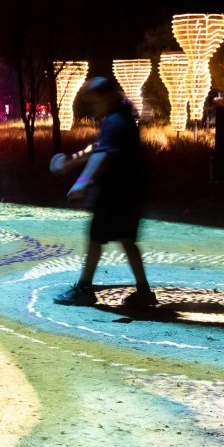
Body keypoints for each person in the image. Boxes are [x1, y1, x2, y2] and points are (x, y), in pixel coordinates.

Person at [50, 76, 157, 308]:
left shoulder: (115, 120)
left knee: (96, 238)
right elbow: (99, 147)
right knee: (127, 239)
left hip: (116, 193)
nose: (93, 105)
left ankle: (84, 289)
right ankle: (144, 292)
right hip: (131, 192)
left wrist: (83, 182)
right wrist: (72, 161)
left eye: (94, 100)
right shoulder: (122, 117)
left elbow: (104, 155)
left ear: (106, 96)